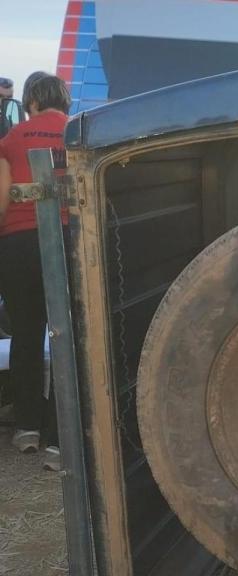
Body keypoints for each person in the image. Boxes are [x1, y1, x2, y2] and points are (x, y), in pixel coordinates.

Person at [0, 74, 71, 471]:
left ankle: (26, 428)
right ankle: (59, 440)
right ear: (64, 100)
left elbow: (1, 202)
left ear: (29, 101)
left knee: (26, 333)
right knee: (67, 336)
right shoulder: (79, 134)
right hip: (65, 240)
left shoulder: (11, 139)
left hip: (17, 244)